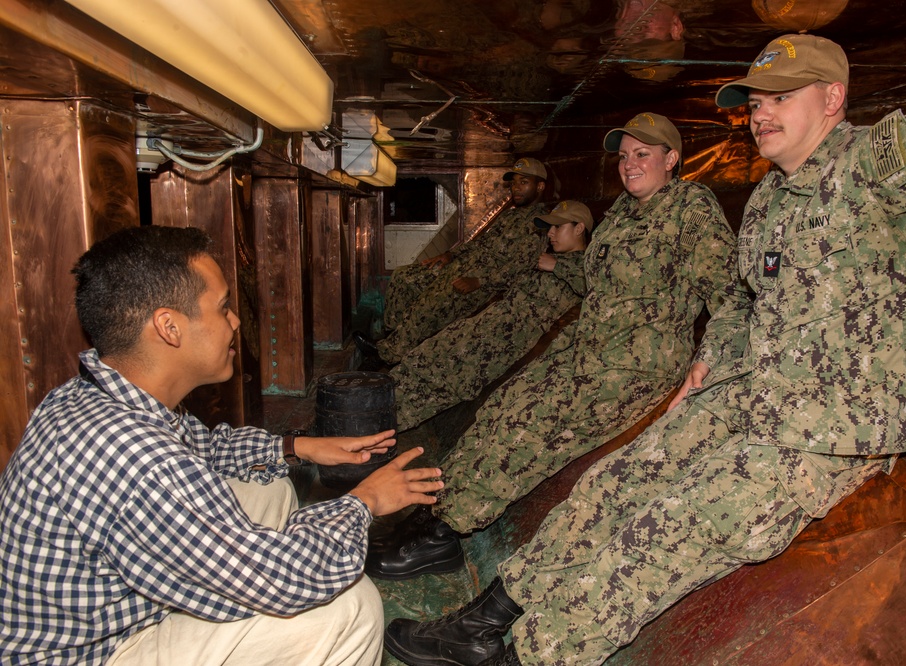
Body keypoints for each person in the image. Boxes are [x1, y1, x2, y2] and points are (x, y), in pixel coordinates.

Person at [381, 33, 906, 666]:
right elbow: (743, 299)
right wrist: (707, 361)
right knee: (611, 485)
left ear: (833, 97)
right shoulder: (767, 200)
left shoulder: (880, 160)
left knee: (663, 536)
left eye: (781, 98)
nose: (761, 114)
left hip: (829, 424)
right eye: (755, 102)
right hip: (746, 392)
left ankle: (533, 656)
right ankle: (488, 618)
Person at [0, 226, 445, 665]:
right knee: (349, 608)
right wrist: (365, 500)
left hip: (106, 611)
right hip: (92, 653)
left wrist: (299, 447)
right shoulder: (136, 458)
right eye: (223, 307)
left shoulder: (98, 395)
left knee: (264, 490)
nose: (235, 321)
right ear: (169, 327)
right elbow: (285, 577)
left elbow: (205, 449)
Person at [368, 112, 743, 588]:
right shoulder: (623, 215)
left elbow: (730, 294)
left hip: (634, 364)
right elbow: (593, 281)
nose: (629, 165)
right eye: (624, 156)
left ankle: (447, 533)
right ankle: (434, 514)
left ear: (671, 159)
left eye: (642, 155)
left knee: (532, 425)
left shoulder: (691, 207)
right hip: (588, 345)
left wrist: (707, 362)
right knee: (503, 407)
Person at [391, 199, 592, 432]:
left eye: (558, 227)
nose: (550, 233)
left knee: (445, 378)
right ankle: (377, 402)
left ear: (579, 229)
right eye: (549, 227)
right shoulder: (546, 258)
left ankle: (385, 424)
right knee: (424, 354)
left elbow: (597, 286)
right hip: (490, 321)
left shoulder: (585, 266)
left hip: (506, 338)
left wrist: (557, 266)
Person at [354, 157, 550, 366]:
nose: (516, 188)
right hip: (462, 266)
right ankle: (396, 340)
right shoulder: (510, 217)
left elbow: (520, 268)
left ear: (539, 186)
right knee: (404, 277)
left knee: (430, 302)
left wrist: (480, 282)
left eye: (523, 182)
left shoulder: (539, 223)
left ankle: (386, 355)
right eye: (514, 183)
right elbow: (479, 245)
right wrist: (450, 254)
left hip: (480, 282)